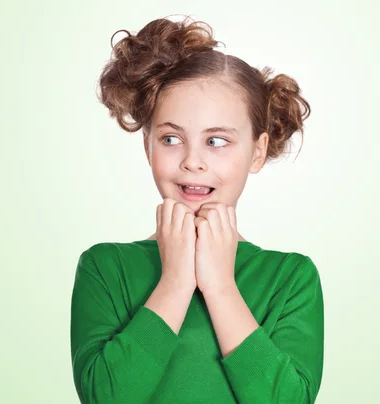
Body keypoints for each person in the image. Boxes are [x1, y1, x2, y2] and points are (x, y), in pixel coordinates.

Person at [69, 16, 324, 404]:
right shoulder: (106, 267)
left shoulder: (290, 279)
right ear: (147, 146)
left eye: (217, 141)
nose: (193, 161)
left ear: (257, 151)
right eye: (171, 138)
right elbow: (105, 397)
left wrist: (220, 286)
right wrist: (174, 281)